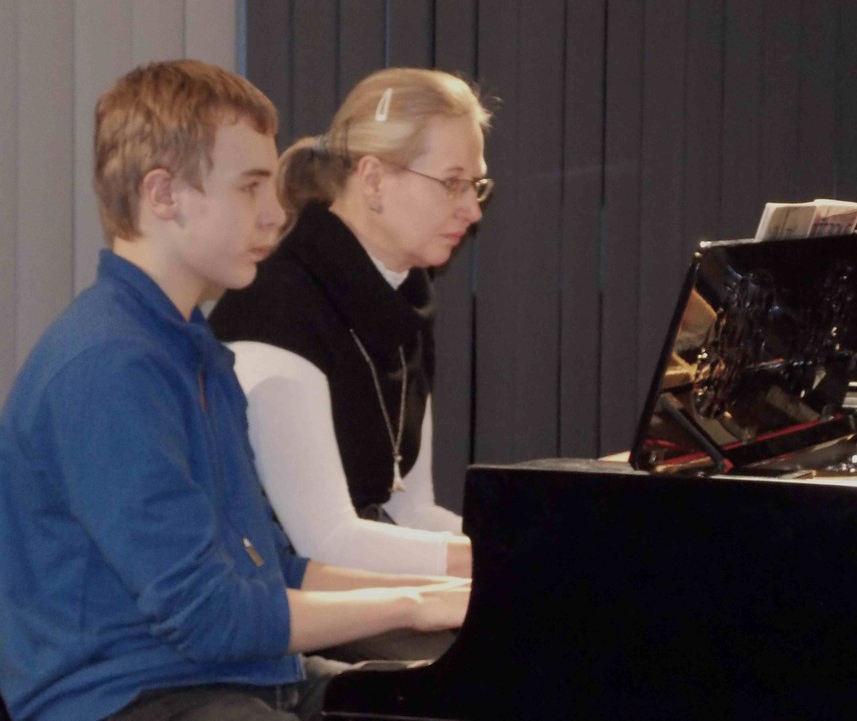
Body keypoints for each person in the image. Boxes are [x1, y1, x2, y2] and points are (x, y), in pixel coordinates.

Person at [0, 60, 469, 721]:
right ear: (163, 194)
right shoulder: (107, 368)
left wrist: (449, 592)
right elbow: (210, 617)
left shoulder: (193, 349)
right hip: (134, 696)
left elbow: (273, 568)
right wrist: (414, 604)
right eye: (251, 187)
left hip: (240, 678)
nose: (277, 212)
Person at [208, 69, 492, 600]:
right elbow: (326, 542)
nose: (472, 210)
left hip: (347, 599)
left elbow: (411, 511)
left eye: (475, 185)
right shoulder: (279, 308)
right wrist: (512, 556)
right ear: (374, 179)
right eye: (452, 182)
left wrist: (524, 545)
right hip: (276, 612)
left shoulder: (404, 299)